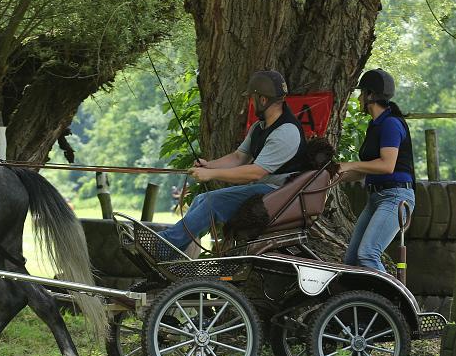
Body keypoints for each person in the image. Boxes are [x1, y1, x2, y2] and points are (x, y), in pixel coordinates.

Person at [158, 70, 307, 252]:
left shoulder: (286, 131)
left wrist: (210, 174)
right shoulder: (259, 127)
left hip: (280, 194)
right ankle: (169, 255)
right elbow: (238, 158)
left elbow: (255, 172)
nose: (250, 102)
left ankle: (162, 244)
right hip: (266, 190)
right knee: (200, 200)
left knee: (213, 204)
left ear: (263, 100)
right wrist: (208, 165)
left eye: (252, 98)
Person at [338, 68, 415, 272]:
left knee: (368, 254)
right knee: (353, 259)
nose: (358, 98)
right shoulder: (375, 125)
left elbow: (386, 165)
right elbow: (366, 171)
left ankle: (389, 304)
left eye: (360, 93)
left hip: (395, 197)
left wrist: (349, 164)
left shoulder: (390, 123)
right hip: (376, 198)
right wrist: (333, 175)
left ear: (370, 95)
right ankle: (363, 302)